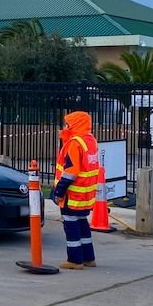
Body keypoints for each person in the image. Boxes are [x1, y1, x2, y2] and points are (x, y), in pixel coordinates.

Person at [51, 111, 100, 270]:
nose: (65, 127)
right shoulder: (90, 140)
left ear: (74, 125)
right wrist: (66, 137)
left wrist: (59, 192)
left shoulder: (74, 143)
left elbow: (70, 171)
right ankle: (88, 258)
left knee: (71, 225)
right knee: (82, 223)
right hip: (85, 193)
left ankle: (75, 260)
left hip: (71, 194)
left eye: (67, 125)